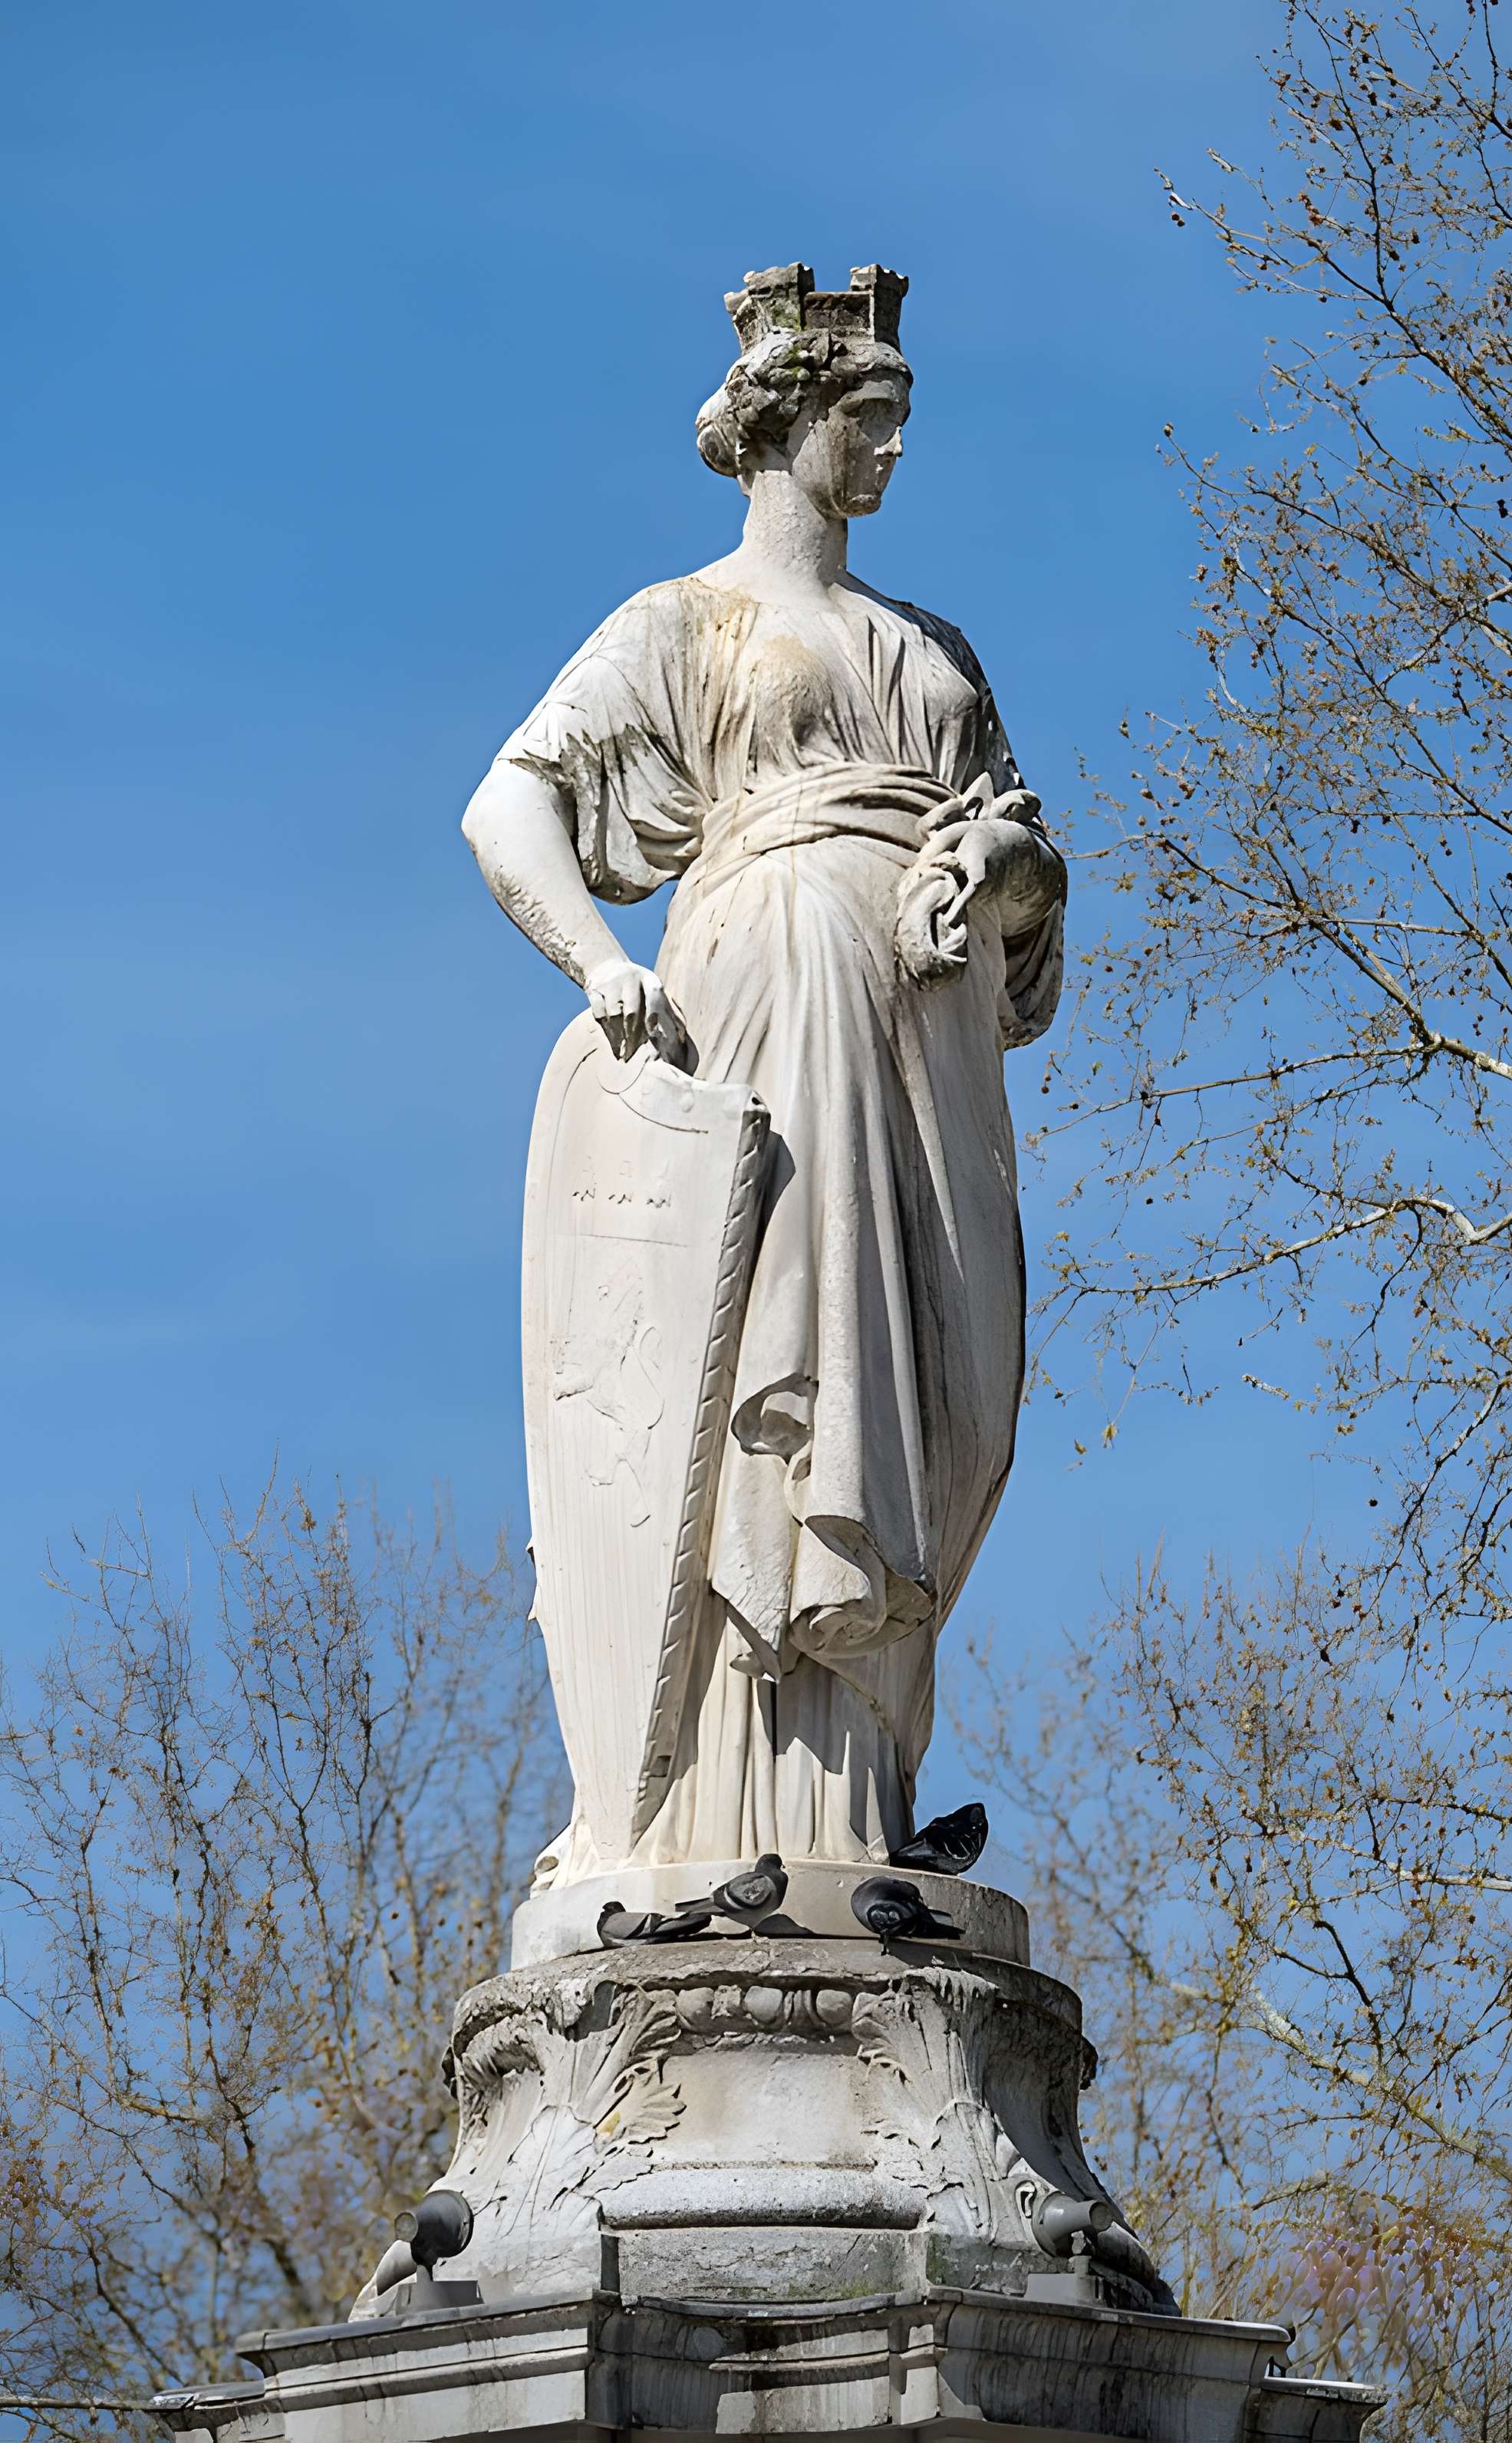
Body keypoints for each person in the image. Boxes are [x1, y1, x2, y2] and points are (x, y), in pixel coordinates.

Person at [463, 265, 1066, 1881]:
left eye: (899, 423)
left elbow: (1027, 888)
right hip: (769, 996)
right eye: (865, 419)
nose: (886, 453)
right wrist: (600, 960)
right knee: (775, 1379)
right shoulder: (683, 623)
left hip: (926, 1034)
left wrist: (1006, 866)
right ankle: (729, 1809)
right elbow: (505, 807)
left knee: (945, 1395)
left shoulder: (933, 647)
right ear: (783, 419)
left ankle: (869, 1785)